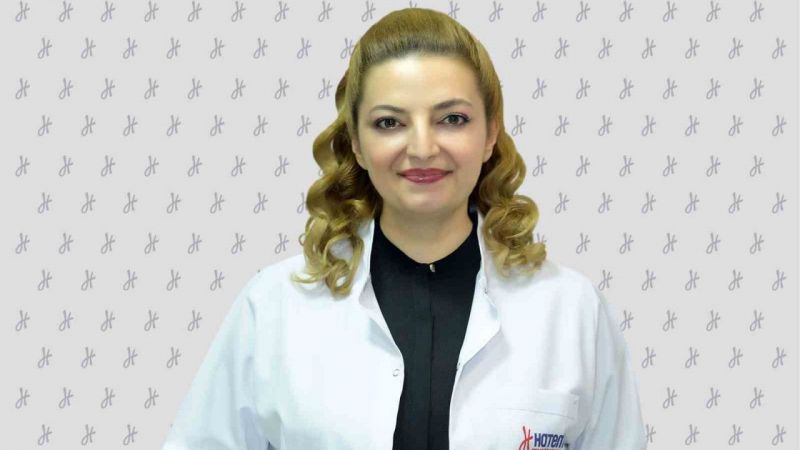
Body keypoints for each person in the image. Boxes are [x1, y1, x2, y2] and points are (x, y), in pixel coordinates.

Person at [162, 7, 646, 450]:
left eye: (452, 118)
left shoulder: (571, 312)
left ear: (490, 134)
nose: (422, 148)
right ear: (355, 142)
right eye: (390, 123)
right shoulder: (274, 308)